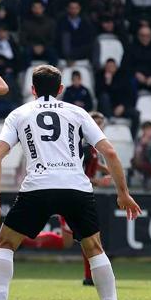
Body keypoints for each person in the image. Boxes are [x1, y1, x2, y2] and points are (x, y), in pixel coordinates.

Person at [0, 64, 139, 300]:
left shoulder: (20, 113)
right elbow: (109, 152)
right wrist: (123, 193)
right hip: (76, 187)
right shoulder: (78, 112)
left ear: (33, 89)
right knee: (94, 249)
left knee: (5, 244)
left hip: (38, 186)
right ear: (61, 89)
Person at [20, 111, 112, 286]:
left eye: (101, 123)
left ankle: (21, 240)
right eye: (96, 122)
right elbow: (79, 173)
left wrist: (107, 170)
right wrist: (99, 181)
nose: (99, 126)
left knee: (68, 242)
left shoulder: (91, 148)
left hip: (79, 195)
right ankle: (89, 277)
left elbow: (92, 163)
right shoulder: (83, 146)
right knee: (87, 237)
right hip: (75, 194)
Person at [96, 59, 139, 139]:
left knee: (136, 114)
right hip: (107, 109)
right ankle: (109, 122)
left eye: (112, 66)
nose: (110, 68)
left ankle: (132, 139)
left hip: (122, 107)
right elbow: (98, 95)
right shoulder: (100, 76)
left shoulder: (123, 77)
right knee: (104, 97)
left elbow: (130, 95)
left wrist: (123, 106)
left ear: (116, 67)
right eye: (108, 67)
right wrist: (107, 83)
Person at [122, 25, 151, 96]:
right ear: (138, 36)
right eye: (142, 35)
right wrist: (136, 74)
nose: (145, 38)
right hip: (136, 77)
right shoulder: (131, 48)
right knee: (129, 83)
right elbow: (125, 65)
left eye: (148, 36)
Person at [19, 0, 58, 67]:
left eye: (39, 8)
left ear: (43, 8)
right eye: (35, 8)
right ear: (32, 9)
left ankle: (51, 74)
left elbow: (53, 39)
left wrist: (43, 47)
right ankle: (27, 74)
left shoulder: (50, 22)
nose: (37, 10)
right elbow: (23, 39)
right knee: (25, 53)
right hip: (31, 47)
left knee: (53, 54)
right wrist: (33, 46)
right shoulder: (26, 22)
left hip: (46, 47)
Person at [132, 121, 151, 191]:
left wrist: (147, 145)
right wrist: (141, 145)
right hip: (142, 165)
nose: (147, 132)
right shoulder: (140, 140)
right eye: (145, 130)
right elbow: (136, 154)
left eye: (149, 129)